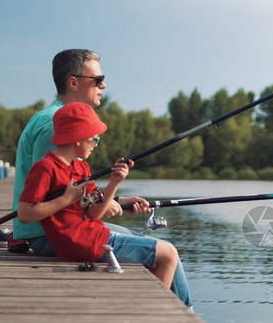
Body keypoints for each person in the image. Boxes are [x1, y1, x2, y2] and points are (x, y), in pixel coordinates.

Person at [11, 49, 192, 306]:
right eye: (97, 79)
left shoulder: (61, 119)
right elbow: (58, 196)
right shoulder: (56, 125)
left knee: (153, 247)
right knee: (160, 249)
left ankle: (180, 319)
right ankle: (183, 320)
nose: (103, 85)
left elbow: (72, 191)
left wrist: (116, 198)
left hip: (65, 226)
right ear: (73, 82)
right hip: (50, 233)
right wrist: (102, 203)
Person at [18, 103, 179, 288]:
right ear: (78, 137)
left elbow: (94, 214)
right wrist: (65, 199)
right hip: (82, 243)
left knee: (157, 258)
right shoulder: (46, 168)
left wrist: (115, 181)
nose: (96, 145)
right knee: (169, 253)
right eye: (94, 138)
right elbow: (25, 213)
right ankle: (160, 315)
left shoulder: (81, 168)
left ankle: (155, 307)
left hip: (94, 236)